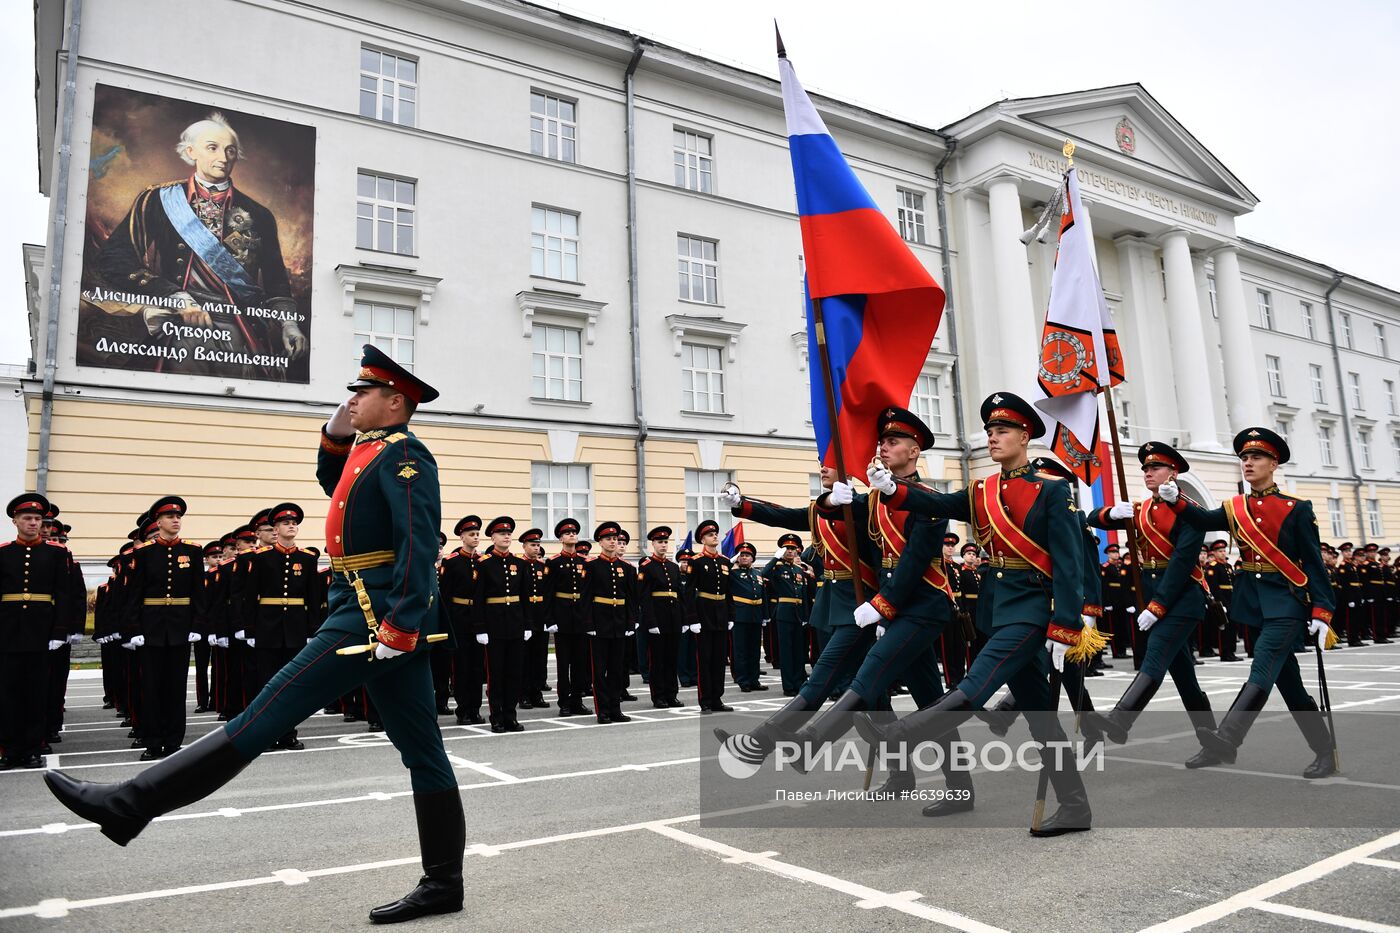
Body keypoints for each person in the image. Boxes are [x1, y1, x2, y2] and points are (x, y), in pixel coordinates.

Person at [46, 344, 465, 924]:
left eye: (362, 392)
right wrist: (333, 430)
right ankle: (445, 882)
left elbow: (419, 543)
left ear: (395, 401)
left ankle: (130, 803)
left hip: (370, 616)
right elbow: (331, 481)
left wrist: (398, 625)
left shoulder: (407, 455)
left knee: (263, 714)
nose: (352, 398)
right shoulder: (371, 452)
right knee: (424, 752)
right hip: (363, 607)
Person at [851, 392, 1096, 836]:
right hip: (1000, 609)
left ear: (1025, 436)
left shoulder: (1053, 490)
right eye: (989, 431)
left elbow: (1070, 562)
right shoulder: (982, 488)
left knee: (974, 685)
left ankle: (900, 735)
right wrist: (893, 490)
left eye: (1002, 430)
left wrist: (1067, 625)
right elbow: (938, 505)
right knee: (1042, 718)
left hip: (1032, 610)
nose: (992, 437)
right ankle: (1076, 806)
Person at [1163, 427, 1338, 779]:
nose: (1248, 463)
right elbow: (1202, 519)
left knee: (1262, 667)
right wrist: (1176, 498)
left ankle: (1227, 737)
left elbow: (1314, 565)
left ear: (1274, 463)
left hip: (1286, 603)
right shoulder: (1234, 507)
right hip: (1254, 604)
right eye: (1244, 457)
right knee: (1289, 685)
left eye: (1256, 457)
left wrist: (1322, 611)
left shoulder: (1297, 509)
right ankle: (1325, 751)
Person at [90, 112, 307, 380]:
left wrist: (288, 324)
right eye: (213, 148)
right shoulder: (157, 199)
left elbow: (275, 281)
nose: (224, 157)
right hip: (179, 318)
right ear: (191, 151)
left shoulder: (259, 214)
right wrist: (171, 295)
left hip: (239, 323)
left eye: (231, 150)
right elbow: (114, 259)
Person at [1080, 443, 1218, 761]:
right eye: (1145, 469)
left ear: (1173, 472)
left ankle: (1121, 718)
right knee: (1185, 676)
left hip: (1182, 598)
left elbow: (1182, 565)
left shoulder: (1190, 511)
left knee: (1154, 656)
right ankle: (1212, 742)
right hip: (1158, 596)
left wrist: (1156, 608)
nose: (1148, 473)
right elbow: (1091, 518)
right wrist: (1110, 513)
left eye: (1155, 468)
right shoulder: (1141, 510)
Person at [238, 502, 321, 751]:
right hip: (267, 627)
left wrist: (311, 630)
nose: (291, 526)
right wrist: (250, 629)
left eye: (294, 523)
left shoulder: (306, 559)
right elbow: (250, 595)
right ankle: (266, 733)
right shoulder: (261, 558)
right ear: (275, 529)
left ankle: (288, 734)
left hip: (295, 629)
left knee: (292, 684)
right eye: (286, 523)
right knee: (268, 683)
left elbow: (313, 599)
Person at [0, 494, 74, 769]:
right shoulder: (4, 552)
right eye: (27, 518)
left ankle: (31, 748)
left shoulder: (56, 553)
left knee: (36, 693)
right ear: (15, 521)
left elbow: (63, 595)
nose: (33, 523)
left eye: (37, 519)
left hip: (41, 632)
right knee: (8, 693)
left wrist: (59, 632)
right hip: (8, 632)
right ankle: (8, 749)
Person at [474, 517, 530, 733]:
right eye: (501, 533)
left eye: (508, 533)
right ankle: (496, 717)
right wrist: (480, 628)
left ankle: (510, 716)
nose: (506, 536)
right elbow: (478, 599)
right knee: (496, 675)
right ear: (493, 537)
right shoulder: (484, 564)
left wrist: (527, 625)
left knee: (514, 673)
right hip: (494, 625)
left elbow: (524, 597)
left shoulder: (520, 564)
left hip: (515, 624)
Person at [582, 522, 636, 723]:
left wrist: (631, 623)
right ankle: (602, 710)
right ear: (600, 542)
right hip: (600, 623)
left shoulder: (627, 568)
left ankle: (615, 708)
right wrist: (589, 624)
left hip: (619, 623)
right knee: (600, 670)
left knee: (616, 669)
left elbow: (631, 598)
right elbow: (585, 597)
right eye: (608, 539)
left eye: (615, 539)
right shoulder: (592, 566)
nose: (613, 542)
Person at [439, 515, 484, 725]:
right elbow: (445, 596)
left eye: (477, 534)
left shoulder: (482, 562)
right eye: (471, 534)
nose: (475, 538)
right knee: (462, 667)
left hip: (478, 619)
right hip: (458, 618)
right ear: (462, 537)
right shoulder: (452, 562)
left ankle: (475, 708)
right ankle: (463, 710)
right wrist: (446, 624)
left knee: (477, 667)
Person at [545, 518, 591, 717]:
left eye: (574, 532)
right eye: (567, 533)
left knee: (580, 662)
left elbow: (588, 593)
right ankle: (564, 702)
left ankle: (577, 701)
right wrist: (550, 620)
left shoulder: (585, 562)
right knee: (563, 664)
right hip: (562, 616)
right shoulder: (553, 562)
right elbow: (548, 593)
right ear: (561, 539)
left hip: (580, 616)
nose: (572, 535)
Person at [687, 520, 734, 714]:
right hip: (704, 613)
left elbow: (729, 590)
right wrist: (692, 618)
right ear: (702, 539)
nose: (715, 536)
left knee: (719, 659)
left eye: (716, 533)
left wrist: (731, 615)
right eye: (710, 534)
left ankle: (717, 698)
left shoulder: (724, 561)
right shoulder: (696, 561)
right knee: (704, 660)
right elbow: (689, 591)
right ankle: (705, 700)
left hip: (721, 613)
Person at [638, 526, 688, 708]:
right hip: (657, 619)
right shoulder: (647, 567)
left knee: (671, 659)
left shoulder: (673, 567)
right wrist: (650, 621)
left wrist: (684, 619)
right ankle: (658, 696)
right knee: (657, 660)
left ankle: (671, 694)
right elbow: (644, 597)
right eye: (660, 542)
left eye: (666, 542)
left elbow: (679, 594)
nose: (664, 545)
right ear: (653, 544)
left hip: (673, 618)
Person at [762, 533, 810, 696]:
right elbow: (763, 575)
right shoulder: (777, 567)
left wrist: (805, 616)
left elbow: (803, 594)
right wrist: (775, 559)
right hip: (784, 612)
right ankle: (789, 686)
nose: (790, 551)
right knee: (787, 651)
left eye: (793, 549)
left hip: (798, 613)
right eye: (787, 548)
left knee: (798, 651)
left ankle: (799, 682)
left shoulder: (798, 570)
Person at [518, 528, 551, 709]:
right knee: (525, 659)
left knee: (540, 658)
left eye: (538, 545)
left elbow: (547, 593)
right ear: (524, 546)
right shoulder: (519, 565)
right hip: (525, 616)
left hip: (540, 617)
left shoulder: (542, 567)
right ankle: (523, 694)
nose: (536, 548)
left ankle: (536, 693)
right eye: (533, 545)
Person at [729, 542, 768, 693]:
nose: (744, 557)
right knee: (741, 650)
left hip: (755, 615)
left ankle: (754, 680)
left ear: (753, 559)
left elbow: (762, 595)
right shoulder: (733, 574)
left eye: (747, 555)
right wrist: (731, 561)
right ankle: (743, 680)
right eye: (742, 555)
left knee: (754, 650)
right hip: (740, 615)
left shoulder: (757, 574)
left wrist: (765, 615)